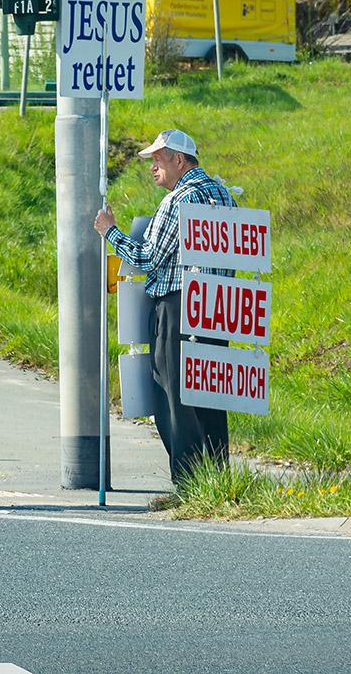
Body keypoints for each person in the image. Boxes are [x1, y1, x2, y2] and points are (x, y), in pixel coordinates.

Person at [93, 128, 235, 484]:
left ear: (179, 160)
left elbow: (149, 257)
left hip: (178, 304)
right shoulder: (224, 195)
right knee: (210, 392)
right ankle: (218, 476)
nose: (152, 166)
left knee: (174, 395)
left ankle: (188, 479)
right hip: (216, 304)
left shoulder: (177, 201)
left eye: (158, 159)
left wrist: (111, 232)